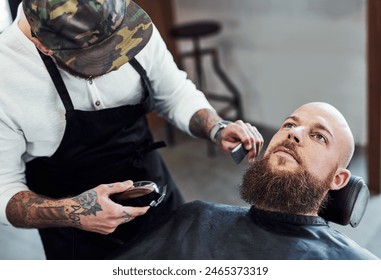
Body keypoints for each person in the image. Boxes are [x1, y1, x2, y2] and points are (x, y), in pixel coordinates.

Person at [0, 0, 264, 260]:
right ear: (44, 45)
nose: (113, 64)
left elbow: (173, 93)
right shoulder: (6, 76)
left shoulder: (126, 25)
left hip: (154, 192)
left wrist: (215, 127)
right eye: (95, 59)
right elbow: (4, 189)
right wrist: (71, 212)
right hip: (74, 230)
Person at [110, 102, 379, 260]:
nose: (293, 133)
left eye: (319, 136)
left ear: (338, 178)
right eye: (288, 125)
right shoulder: (194, 220)